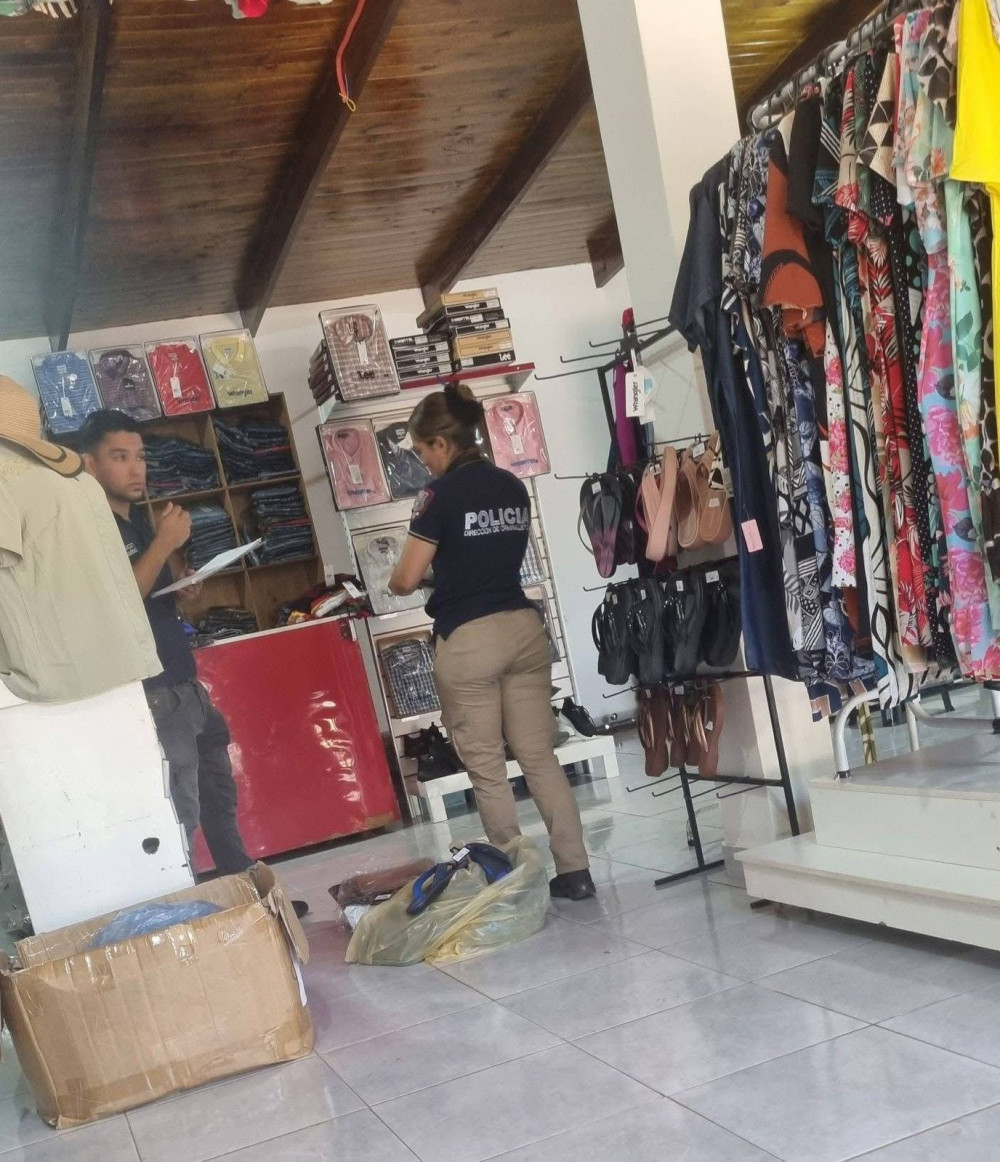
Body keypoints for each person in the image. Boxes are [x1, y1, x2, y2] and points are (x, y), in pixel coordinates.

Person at [78, 410, 309, 915]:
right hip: (152, 693)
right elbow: (121, 599)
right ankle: (183, 918)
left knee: (218, 797)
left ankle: (249, 899)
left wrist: (185, 585)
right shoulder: (90, 528)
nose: (136, 468)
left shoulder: (137, 521)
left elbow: (152, 597)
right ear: (90, 465)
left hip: (183, 682)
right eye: (120, 457)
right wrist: (165, 543)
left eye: (140, 456)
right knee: (179, 808)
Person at [389, 384, 596, 900]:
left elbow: (405, 579)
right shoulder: (511, 486)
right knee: (540, 758)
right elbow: (490, 557)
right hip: (523, 630)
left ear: (441, 443)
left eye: (422, 450)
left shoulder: (438, 496)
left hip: (470, 639)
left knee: (486, 769)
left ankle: (516, 881)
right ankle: (575, 871)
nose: (422, 461)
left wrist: (430, 573)